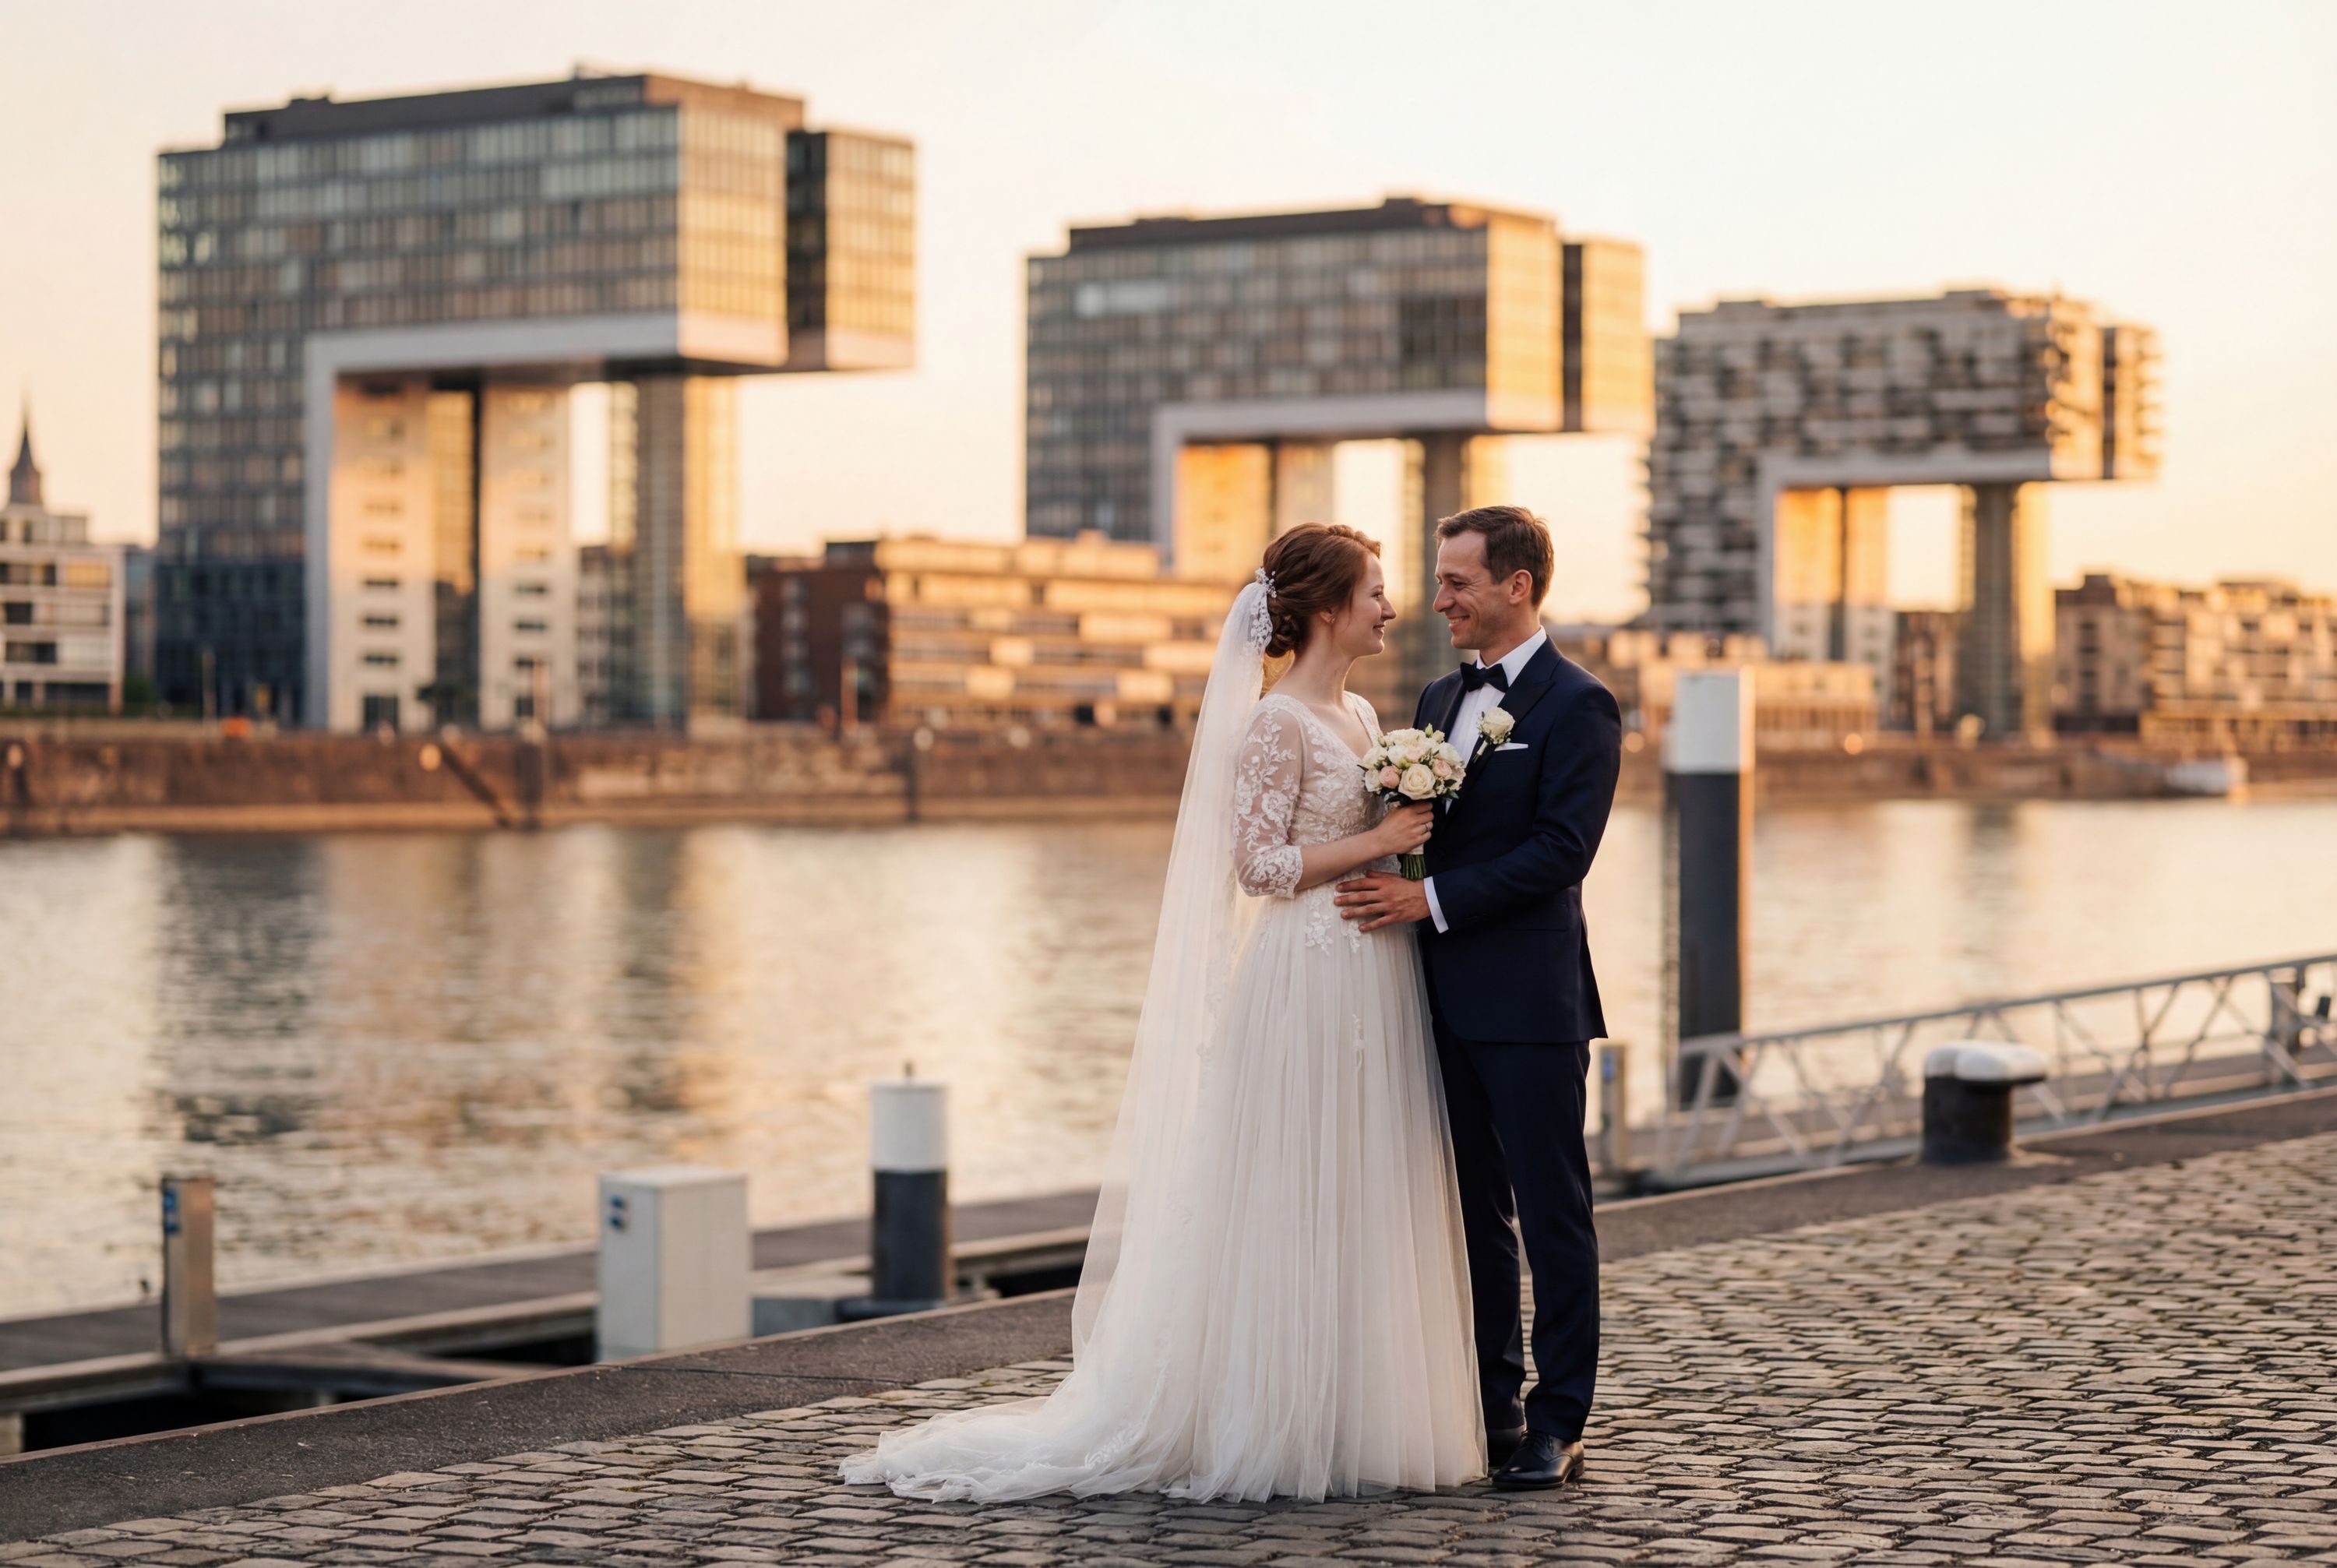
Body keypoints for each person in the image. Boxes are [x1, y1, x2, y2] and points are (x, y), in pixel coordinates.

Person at [839, 524, 1482, 1501]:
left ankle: (1354, 1409)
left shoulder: (1358, 712)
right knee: (1290, 1182)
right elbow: (1258, 867)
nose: (1392, 609)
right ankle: (1266, 1410)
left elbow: (1370, 841)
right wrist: (1382, 839)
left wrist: (1405, 853)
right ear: (1322, 610)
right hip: (1305, 977)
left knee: (1362, 1180)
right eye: (1377, 593)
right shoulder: (1275, 724)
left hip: (1374, 972)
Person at [1334, 504, 1622, 1491]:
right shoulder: (1432, 693)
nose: (1439, 598)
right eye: (1438, 578)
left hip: (1532, 1004)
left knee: (1553, 1213)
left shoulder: (1579, 705)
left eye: (1457, 581)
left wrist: (1428, 897)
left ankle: (1559, 1421)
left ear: (1517, 587)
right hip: (1436, 999)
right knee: (1468, 1214)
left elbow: (1560, 853)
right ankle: (1493, 1408)